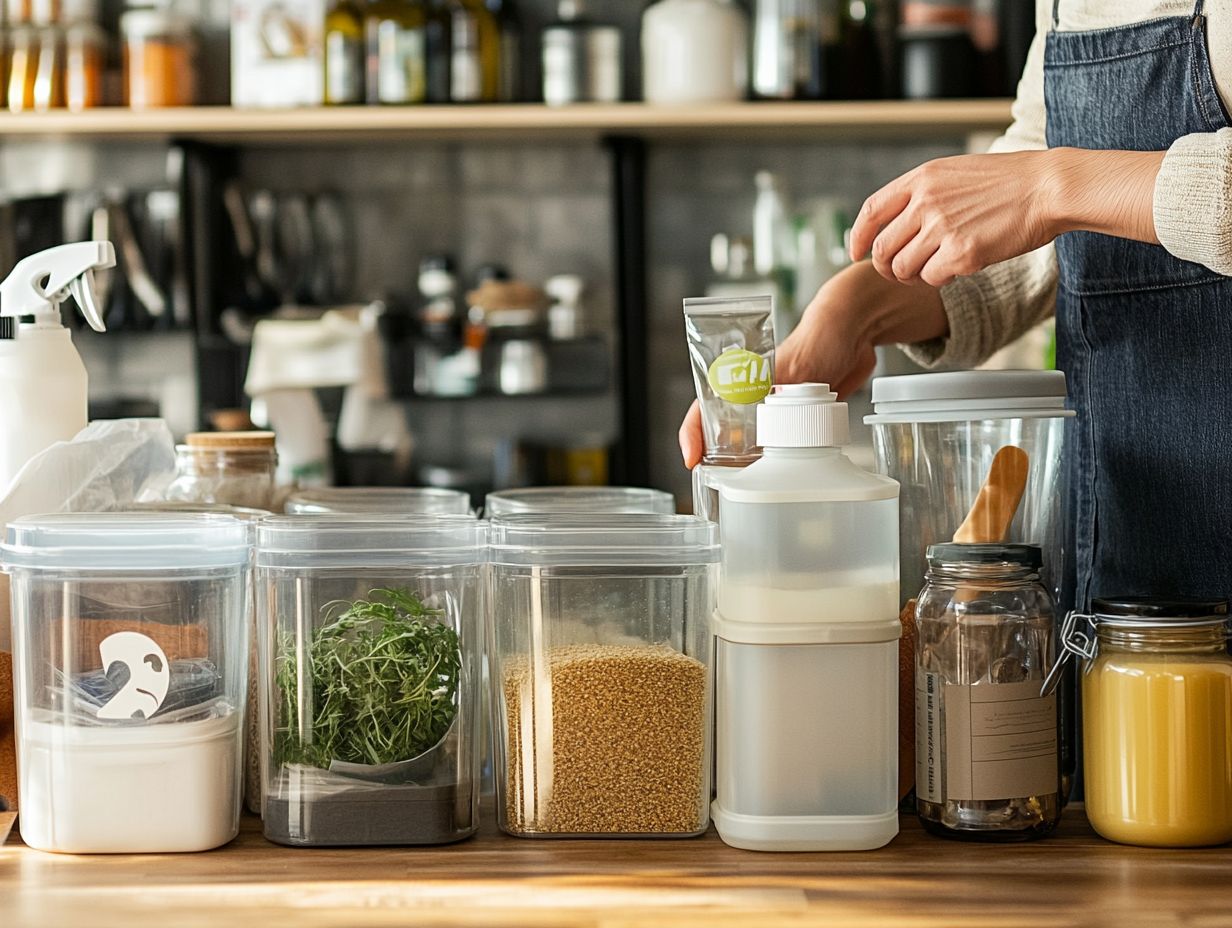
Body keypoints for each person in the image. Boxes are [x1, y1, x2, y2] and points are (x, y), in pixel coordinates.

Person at [680, 0, 1232, 607]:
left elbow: (1045, 192)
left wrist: (1048, 185)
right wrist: (852, 310)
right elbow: (1037, 241)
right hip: (1124, 561)